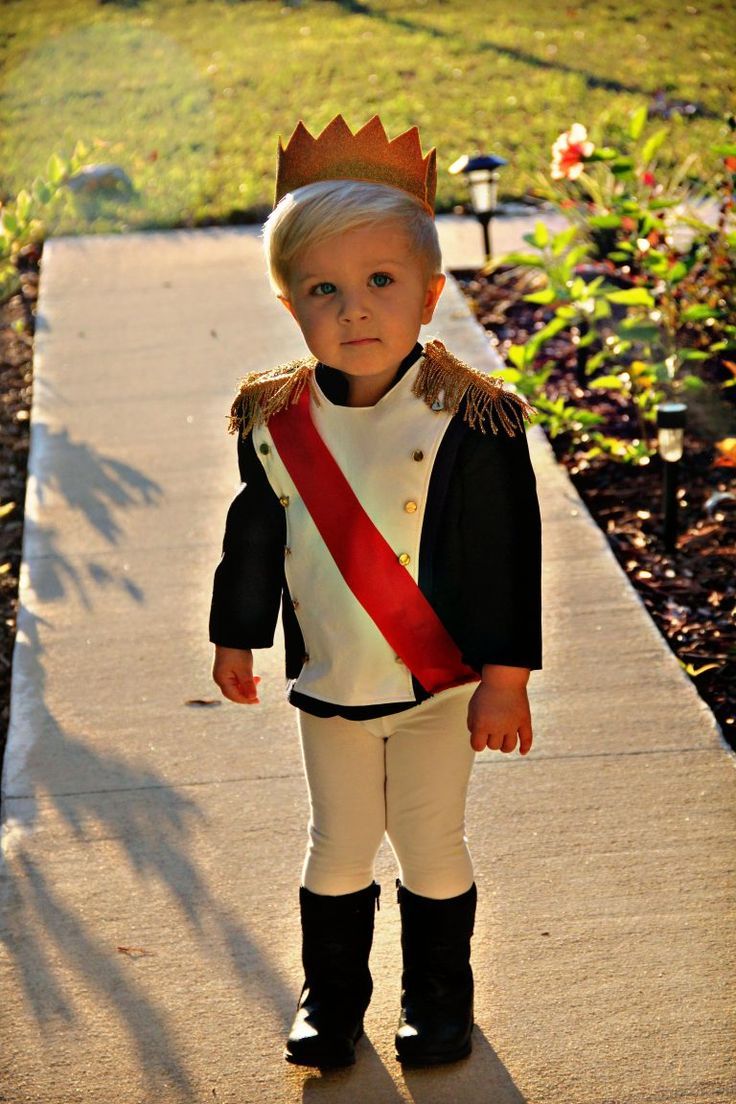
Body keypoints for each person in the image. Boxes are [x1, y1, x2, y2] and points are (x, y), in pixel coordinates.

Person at [209, 114, 542, 1070]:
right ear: (289, 304)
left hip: (444, 689)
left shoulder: (476, 418)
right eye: (325, 290)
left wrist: (508, 680)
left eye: (381, 283)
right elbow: (255, 532)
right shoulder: (275, 418)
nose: (355, 310)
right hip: (334, 685)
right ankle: (333, 1003)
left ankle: (439, 1004)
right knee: (337, 848)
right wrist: (239, 637)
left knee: (433, 846)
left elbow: (505, 560)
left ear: (432, 292)